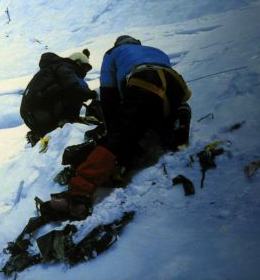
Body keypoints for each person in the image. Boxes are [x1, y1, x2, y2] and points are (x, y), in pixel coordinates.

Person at [48, 35, 192, 220]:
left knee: (119, 137)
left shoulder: (113, 53)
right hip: (176, 86)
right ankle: (178, 120)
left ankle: (79, 194)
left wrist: (113, 131)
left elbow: (109, 95)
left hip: (143, 82)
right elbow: (162, 85)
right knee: (159, 112)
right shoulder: (157, 51)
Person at [20, 49, 98, 147]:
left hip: (29, 115)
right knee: (76, 91)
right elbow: (74, 87)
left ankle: (37, 135)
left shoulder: (48, 70)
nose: (85, 71)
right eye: (85, 67)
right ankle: (69, 119)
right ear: (77, 62)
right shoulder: (65, 67)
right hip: (43, 110)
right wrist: (93, 94)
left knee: (68, 90)